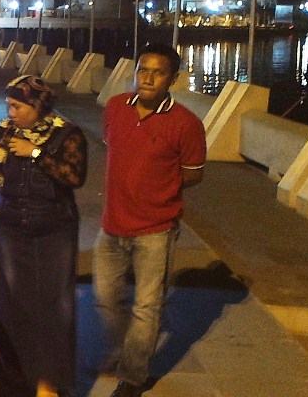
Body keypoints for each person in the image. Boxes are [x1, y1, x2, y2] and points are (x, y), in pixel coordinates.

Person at [95, 43, 206, 397]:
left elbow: (192, 174)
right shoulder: (115, 108)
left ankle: (133, 377)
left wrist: (158, 189)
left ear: (173, 79)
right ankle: (128, 349)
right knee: (106, 298)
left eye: (158, 72)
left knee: (147, 307)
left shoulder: (187, 124)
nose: (148, 78)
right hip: (111, 224)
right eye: (143, 69)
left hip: (156, 230)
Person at [0, 74, 88, 397]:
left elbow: (75, 176)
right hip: (10, 227)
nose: (10, 112)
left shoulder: (67, 134)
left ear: (36, 105)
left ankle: (48, 383)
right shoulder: (8, 131)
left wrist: (36, 153)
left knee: (54, 306)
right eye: (9, 105)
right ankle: (18, 376)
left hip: (54, 229)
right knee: (12, 302)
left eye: (16, 106)